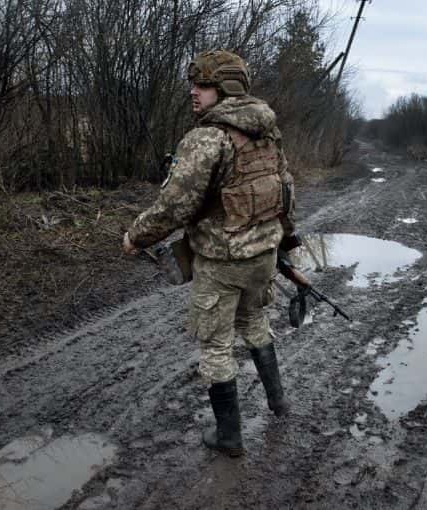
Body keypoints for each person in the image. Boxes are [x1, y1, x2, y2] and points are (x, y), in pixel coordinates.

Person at [122, 50, 294, 457]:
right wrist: (286, 238)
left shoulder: (208, 137)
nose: (193, 93)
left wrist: (136, 237)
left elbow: (174, 206)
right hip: (263, 253)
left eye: (202, 86)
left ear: (225, 89)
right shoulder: (268, 130)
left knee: (215, 346)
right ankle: (278, 402)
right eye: (193, 85)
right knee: (254, 320)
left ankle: (230, 437)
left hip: (223, 260)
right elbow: (287, 188)